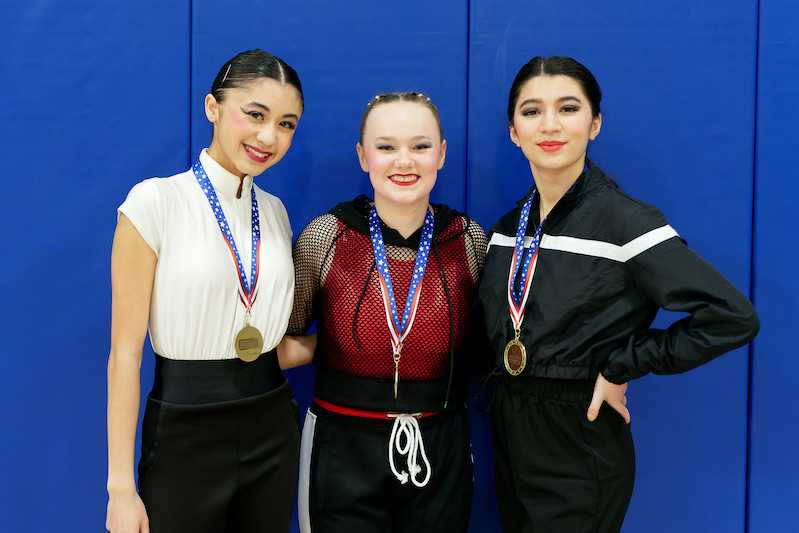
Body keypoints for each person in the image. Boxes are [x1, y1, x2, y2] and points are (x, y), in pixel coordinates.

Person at [478, 56, 760, 533]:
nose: (549, 125)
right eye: (531, 111)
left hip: (578, 440)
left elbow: (732, 316)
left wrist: (622, 364)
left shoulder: (626, 221)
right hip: (508, 428)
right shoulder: (508, 230)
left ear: (595, 124)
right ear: (512, 130)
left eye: (568, 108)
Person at [106, 49, 304, 533]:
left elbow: (268, 340)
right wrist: (120, 488)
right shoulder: (154, 202)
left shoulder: (276, 213)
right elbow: (125, 355)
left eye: (286, 123)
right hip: (183, 430)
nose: (268, 137)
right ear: (212, 108)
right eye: (254, 115)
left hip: (272, 424)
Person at [280, 92, 486, 533]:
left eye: (421, 145)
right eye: (386, 146)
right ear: (362, 155)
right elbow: (287, 343)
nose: (404, 161)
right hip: (342, 446)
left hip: (439, 444)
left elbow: (489, 344)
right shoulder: (325, 237)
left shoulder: (469, 242)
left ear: (442, 153)